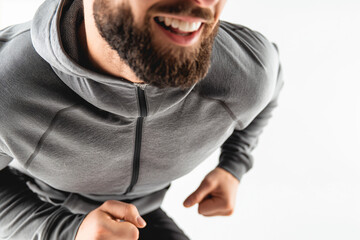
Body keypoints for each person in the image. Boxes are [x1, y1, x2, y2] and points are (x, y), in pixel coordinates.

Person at [0, 0, 283, 239]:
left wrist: (233, 165)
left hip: (142, 216)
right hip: (36, 210)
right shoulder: (8, 84)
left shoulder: (245, 71)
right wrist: (64, 231)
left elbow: (271, 86)